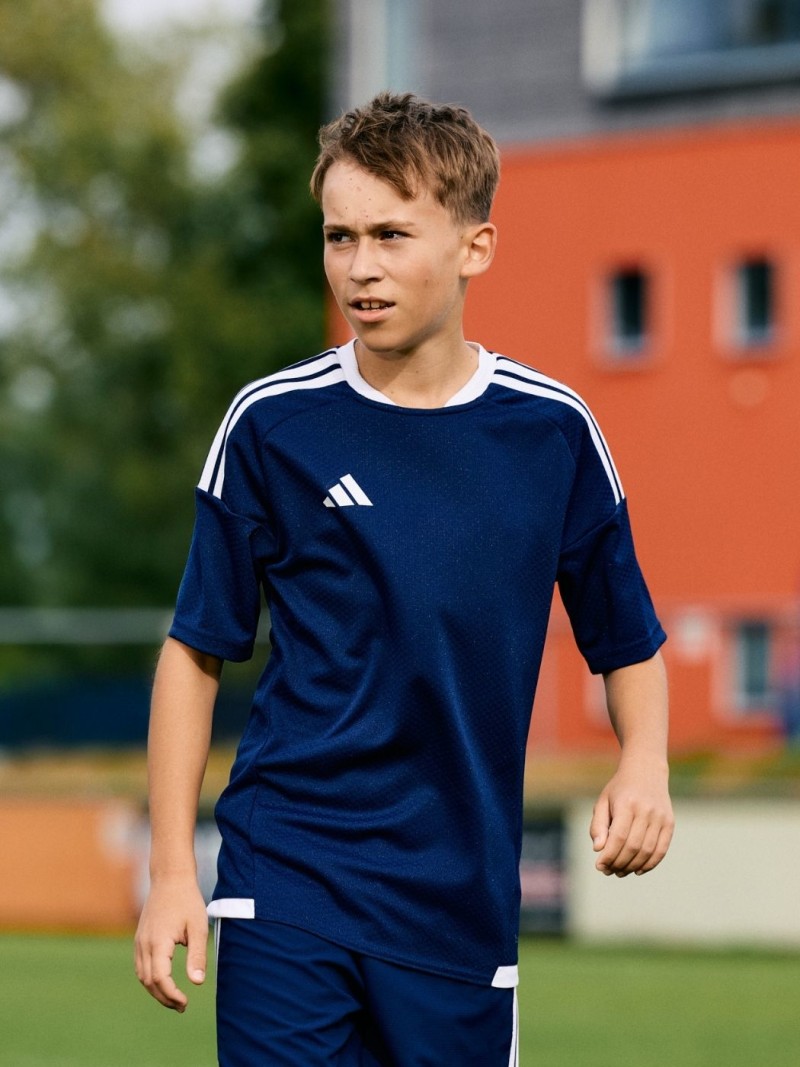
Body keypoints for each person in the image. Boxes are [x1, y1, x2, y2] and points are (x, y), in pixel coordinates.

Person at [135, 91, 674, 1065]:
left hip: (458, 902)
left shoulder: (551, 434)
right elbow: (195, 651)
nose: (359, 267)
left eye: (390, 234)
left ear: (475, 246)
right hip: (287, 870)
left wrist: (643, 760)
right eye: (339, 237)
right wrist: (175, 866)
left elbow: (624, 638)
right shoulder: (270, 426)